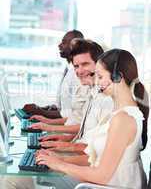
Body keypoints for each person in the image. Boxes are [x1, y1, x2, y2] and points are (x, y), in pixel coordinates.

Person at [33, 48, 149, 189]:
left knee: (33, 179)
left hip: (109, 185)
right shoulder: (118, 112)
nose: (97, 82)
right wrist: (58, 159)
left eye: (100, 77)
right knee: (37, 176)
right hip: (106, 183)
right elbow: (98, 160)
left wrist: (60, 165)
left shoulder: (123, 119)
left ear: (117, 77)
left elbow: (101, 175)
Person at [29, 39, 113, 153]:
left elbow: (100, 152)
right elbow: (85, 130)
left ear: (100, 64)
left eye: (85, 64)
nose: (79, 71)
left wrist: (60, 156)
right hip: (80, 149)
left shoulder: (107, 100)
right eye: (76, 66)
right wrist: (63, 140)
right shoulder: (93, 93)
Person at [23, 30, 84, 123]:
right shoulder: (68, 69)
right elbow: (63, 107)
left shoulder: (77, 74)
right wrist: (43, 109)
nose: (59, 45)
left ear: (75, 46)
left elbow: (68, 114)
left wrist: (40, 111)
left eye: (64, 42)